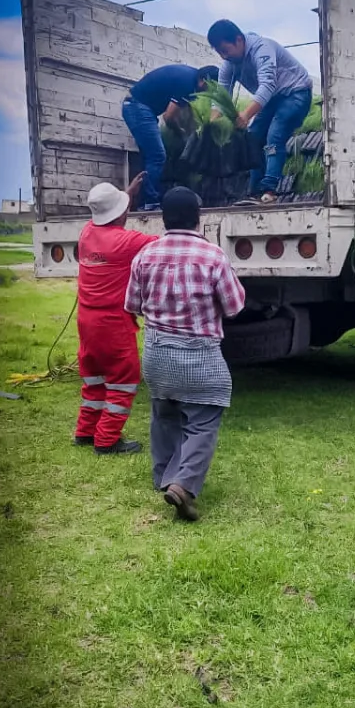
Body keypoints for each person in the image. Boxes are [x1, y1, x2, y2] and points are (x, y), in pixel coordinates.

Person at [125, 186, 245, 520]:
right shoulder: (213, 256)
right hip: (200, 357)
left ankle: (164, 478)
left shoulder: (145, 255)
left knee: (163, 417)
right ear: (198, 218)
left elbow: (131, 304)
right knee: (203, 420)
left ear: (163, 218)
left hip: (157, 354)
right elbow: (234, 306)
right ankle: (183, 485)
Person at [75, 175, 158, 455]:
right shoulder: (126, 241)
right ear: (122, 211)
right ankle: (107, 439)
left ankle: (85, 431)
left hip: (87, 321)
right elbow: (162, 244)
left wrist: (127, 194)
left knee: (95, 377)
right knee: (124, 378)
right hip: (112, 322)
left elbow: (107, 214)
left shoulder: (87, 233)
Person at [207, 20, 312, 204]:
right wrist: (211, 125)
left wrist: (246, 114)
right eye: (220, 52)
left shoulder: (262, 49)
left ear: (239, 40)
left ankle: (269, 190)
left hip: (295, 93)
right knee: (253, 138)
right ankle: (255, 192)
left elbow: (267, 85)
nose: (224, 56)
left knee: (275, 135)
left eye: (225, 50)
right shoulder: (229, 65)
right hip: (273, 100)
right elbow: (221, 96)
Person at [122, 64, 219, 210]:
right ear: (204, 81)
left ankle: (143, 202)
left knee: (149, 157)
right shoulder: (187, 84)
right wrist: (180, 132)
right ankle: (151, 204)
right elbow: (168, 117)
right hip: (137, 108)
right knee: (157, 155)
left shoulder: (191, 76)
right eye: (209, 88)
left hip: (139, 106)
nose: (206, 92)